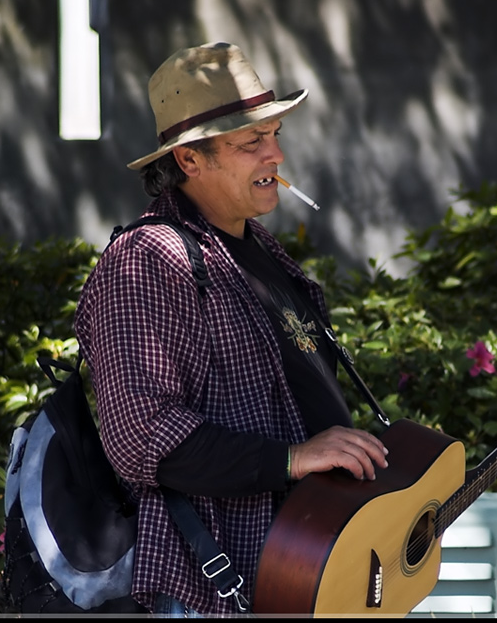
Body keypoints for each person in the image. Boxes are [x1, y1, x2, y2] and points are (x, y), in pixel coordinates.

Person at [74, 41, 389, 617]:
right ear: (190, 160)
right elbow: (140, 434)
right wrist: (293, 458)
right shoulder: (146, 260)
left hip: (309, 567)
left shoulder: (255, 244)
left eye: (275, 136)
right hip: (217, 585)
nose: (276, 157)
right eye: (252, 143)